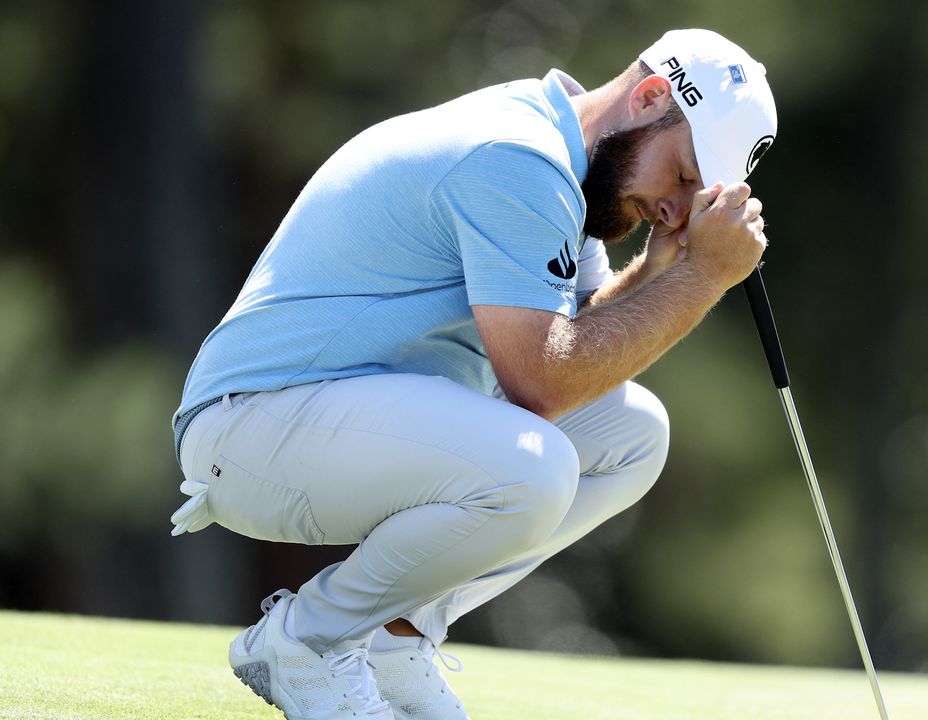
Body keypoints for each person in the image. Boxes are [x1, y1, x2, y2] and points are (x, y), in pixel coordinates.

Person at [169, 28, 776, 720]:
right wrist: (702, 280)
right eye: (684, 176)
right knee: (534, 468)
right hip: (251, 425)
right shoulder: (520, 158)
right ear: (648, 97)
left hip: (332, 422)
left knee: (631, 434)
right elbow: (541, 383)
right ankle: (308, 641)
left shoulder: (567, 166)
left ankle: (397, 637)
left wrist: (660, 271)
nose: (676, 209)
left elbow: (573, 334)